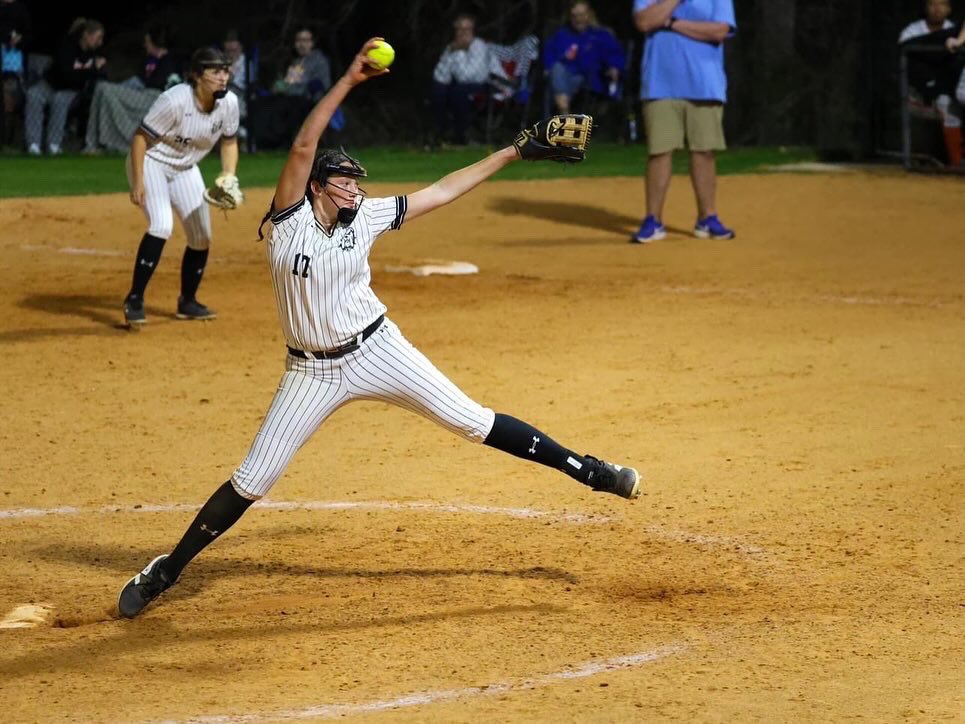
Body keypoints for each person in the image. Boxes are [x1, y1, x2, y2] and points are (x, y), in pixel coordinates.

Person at [116, 38, 640, 619]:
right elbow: (303, 143)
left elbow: (440, 192)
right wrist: (348, 78)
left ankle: (593, 472)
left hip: (377, 347)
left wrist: (513, 151)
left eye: (354, 181)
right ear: (315, 185)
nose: (353, 188)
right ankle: (166, 569)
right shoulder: (289, 220)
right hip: (309, 371)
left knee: (473, 420)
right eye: (341, 181)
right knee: (252, 477)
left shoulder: (365, 216)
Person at [122, 47, 241, 326]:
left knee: (201, 236)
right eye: (215, 71)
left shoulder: (230, 103)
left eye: (226, 70)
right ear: (197, 75)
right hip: (151, 161)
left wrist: (229, 175)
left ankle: (187, 301)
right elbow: (140, 139)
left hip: (185, 168)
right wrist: (138, 182)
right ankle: (134, 299)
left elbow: (230, 141)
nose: (223, 77)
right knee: (161, 225)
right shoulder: (174, 101)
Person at [631, 0, 736, 244]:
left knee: (704, 150)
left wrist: (671, 23)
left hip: (705, 83)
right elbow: (644, 21)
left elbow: (719, 31)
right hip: (660, 82)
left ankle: (707, 218)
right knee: (659, 151)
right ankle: (653, 219)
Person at [83, 24, 184, 154]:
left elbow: (158, 85)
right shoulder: (150, 61)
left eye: (147, 42)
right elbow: (139, 81)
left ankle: (101, 142)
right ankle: (92, 143)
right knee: (102, 88)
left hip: (155, 98)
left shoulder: (169, 61)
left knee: (104, 88)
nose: (145, 45)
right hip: (142, 95)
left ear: (155, 43)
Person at [24, 17, 105, 155]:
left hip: (71, 91)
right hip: (51, 85)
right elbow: (64, 74)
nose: (100, 42)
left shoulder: (96, 53)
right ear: (86, 35)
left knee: (59, 101)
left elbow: (98, 75)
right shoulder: (67, 47)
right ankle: (33, 144)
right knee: (33, 95)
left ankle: (53, 145)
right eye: (97, 37)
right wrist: (88, 71)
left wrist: (85, 73)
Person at [899, 0, 962, 167]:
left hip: (951, 88)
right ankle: (956, 163)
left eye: (942, 4)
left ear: (949, 9)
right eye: (932, 4)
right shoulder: (912, 30)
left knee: (956, 100)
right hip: (919, 94)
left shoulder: (957, 31)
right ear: (925, 8)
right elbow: (906, 59)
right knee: (946, 103)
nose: (937, 9)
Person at [249, 26, 332, 150]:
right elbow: (286, 82)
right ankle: (265, 143)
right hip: (287, 97)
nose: (301, 44)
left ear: (312, 43)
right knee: (263, 104)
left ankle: (283, 143)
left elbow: (322, 85)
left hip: (308, 99)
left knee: (288, 107)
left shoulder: (319, 61)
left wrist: (292, 89)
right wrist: (277, 87)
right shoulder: (294, 62)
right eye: (298, 40)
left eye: (305, 40)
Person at [431, 13, 503, 145]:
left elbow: (472, 75)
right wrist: (453, 52)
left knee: (458, 91)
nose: (462, 33)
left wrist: (458, 52)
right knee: (438, 90)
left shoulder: (479, 46)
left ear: (473, 30)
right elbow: (440, 76)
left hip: (492, 85)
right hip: (463, 85)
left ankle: (461, 136)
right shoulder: (452, 47)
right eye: (459, 29)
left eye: (466, 29)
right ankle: (442, 132)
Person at [543, 1, 626, 115]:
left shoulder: (600, 35)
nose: (579, 19)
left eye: (582, 15)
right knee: (556, 69)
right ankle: (565, 112)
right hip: (567, 76)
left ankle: (564, 113)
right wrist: (549, 66)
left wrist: (614, 66)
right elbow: (549, 53)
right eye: (575, 16)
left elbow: (614, 53)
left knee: (558, 78)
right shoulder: (562, 34)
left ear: (589, 15)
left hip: (591, 78)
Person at [0, 0, 31, 147]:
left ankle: (7, 143)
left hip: (11, 65)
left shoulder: (20, 10)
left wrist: (17, 40)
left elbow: (27, 36)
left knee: (9, 104)